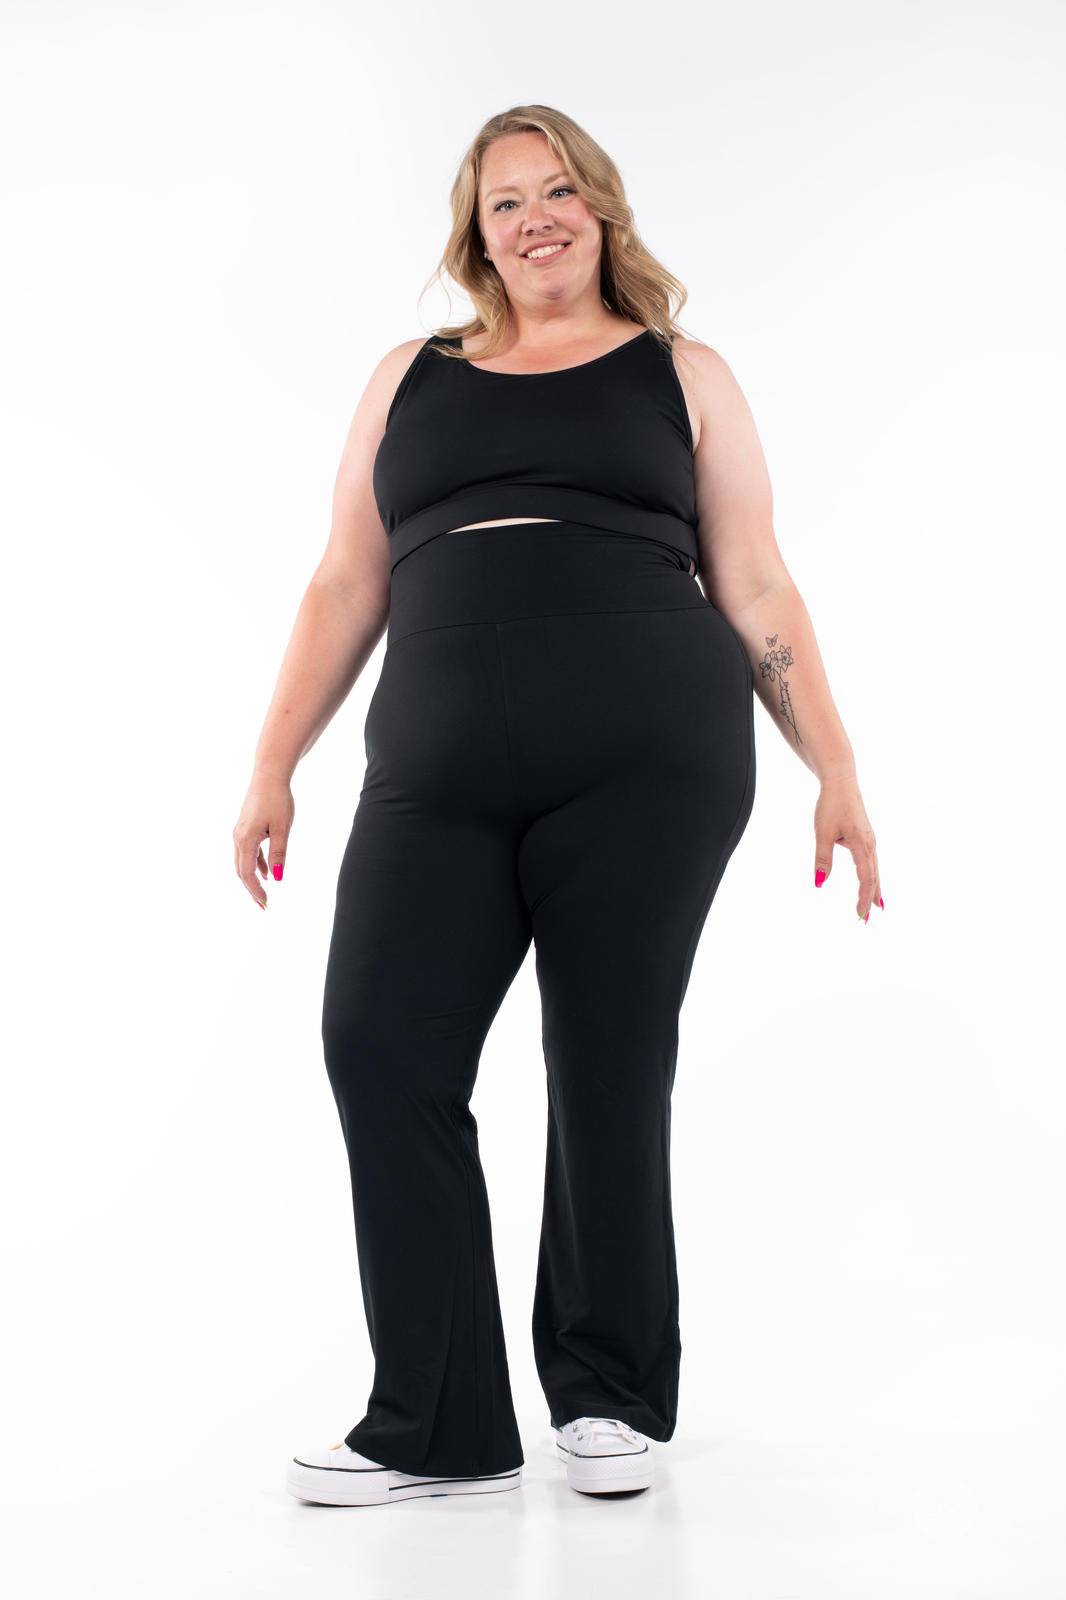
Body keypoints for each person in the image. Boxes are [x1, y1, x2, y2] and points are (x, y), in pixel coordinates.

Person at [233, 105, 884, 1510]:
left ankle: (607, 1395)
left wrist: (832, 766)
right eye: (506, 201)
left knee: (604, 1061)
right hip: (437, 764)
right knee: (378, 1047)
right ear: (476, 233)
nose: (536, 219)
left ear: (602, 208)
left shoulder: (681, 372)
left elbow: (755, 580)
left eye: (559, 192)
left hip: (648, 755)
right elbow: (345, 578)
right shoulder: (410, 378)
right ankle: (437, 1423)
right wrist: (272, 762)